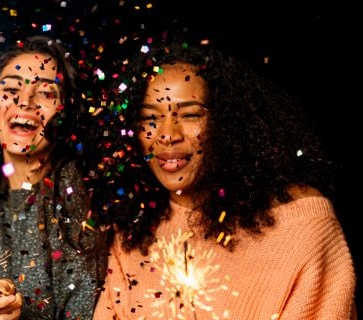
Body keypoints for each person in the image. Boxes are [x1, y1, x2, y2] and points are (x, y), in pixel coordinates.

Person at [92, 39, 357, 319]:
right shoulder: (133, 232)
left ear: (228, 124)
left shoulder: (302, 227)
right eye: (150, 118)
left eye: (190, 114)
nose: (167, 134)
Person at [0, 35, 107, 319]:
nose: (25, 101)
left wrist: (19, 313)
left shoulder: (76, 191)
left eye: (46, 93)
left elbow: (83, 309)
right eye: (11, 89)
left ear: (66, 113)